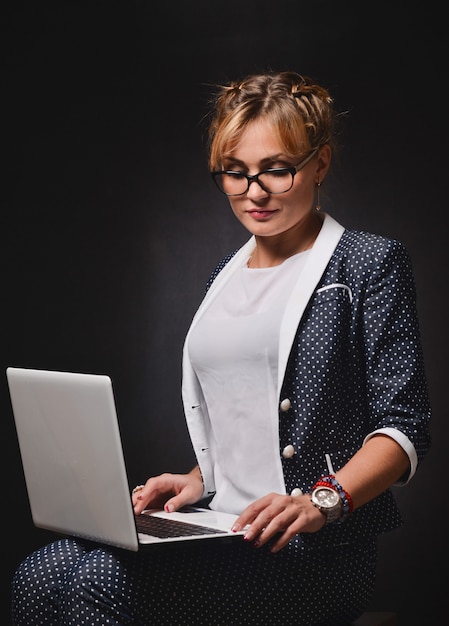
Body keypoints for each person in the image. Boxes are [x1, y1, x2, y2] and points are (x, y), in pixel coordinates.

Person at [11, 70, 431, 625]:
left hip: (312, 551)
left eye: (276, 170)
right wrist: (199, 478)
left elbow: (404, 428)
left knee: (99, 584)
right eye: (236, 173)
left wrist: (320, 501)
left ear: (320, 163)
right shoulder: (221, 276)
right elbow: (249, 417)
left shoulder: (369, 265)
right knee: (41, 572)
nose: (254, 192)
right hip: (218, 525)